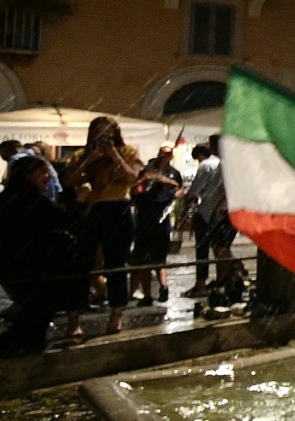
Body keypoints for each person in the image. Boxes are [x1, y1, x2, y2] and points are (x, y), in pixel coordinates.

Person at [0, 154, 86, 354]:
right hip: (30, 263)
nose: (48, 178)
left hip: (9, 261)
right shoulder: (31, 198)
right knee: (41, 306)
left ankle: (23, 345)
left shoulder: (9, 197)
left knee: (38, 307)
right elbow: (64, 221)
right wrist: (79, 202)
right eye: (43, 174)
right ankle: (16, 344)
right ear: (29, 175)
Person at [66, 116, 142, 334]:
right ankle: (74, 318)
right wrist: (90, 158)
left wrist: (113, 154)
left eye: (107, 132)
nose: (102, 136)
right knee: (80, 264)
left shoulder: (127, 152)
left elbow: (132, 177)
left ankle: (116, 313)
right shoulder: (82, 155)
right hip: (89, 211)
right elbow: (69, 181)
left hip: (117, 209)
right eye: (98, 132)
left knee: (116, 264)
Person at [130, 145, 184, 306]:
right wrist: (144, 181)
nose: (167, 157)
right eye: (164, 154)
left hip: (162, 219)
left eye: (169, 154)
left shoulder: (173, 173)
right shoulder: (148, 170)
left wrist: (171, 189)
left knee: (159, 259)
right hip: (146, 218)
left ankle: (163, 286)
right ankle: (147, 294)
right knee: (144, 259)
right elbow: (135, 189)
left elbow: (180, 188)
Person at [183, 140, 234, 299]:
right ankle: (223, 279)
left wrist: (189, 200)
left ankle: (203, 283)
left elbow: (196, 190)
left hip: (209, 211)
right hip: (220, 210)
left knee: (205, 248)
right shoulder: (221, 163)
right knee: (220, 246)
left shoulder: (207, 165)